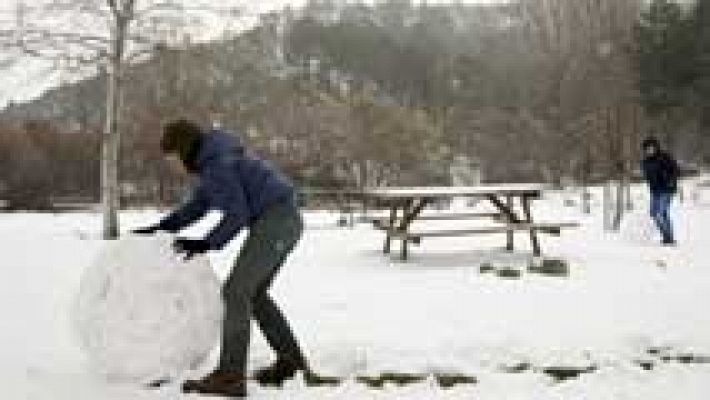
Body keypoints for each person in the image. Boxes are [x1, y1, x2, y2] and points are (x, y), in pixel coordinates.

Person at [133, 119, 310, 397]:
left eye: (173, 158)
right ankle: (291, 364)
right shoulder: (214, 161)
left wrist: (207, 242)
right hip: (282, 220)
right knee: (255, 294)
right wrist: (162, 228)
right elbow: (197, 207)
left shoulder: (218, 164)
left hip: (277, 220)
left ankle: (230, 377)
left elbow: (236, 214)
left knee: (236, 292)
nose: (174, 166)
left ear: (184, 149)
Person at [640, 137, 679, 246]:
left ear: (656, 147)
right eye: (647, 149)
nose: (649, 150)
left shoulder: (664, 157)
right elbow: (647, 176)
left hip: (667, 189)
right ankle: (667, 237)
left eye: (651, 148)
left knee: (660, 213)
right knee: (654, 213)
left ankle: (669, 238)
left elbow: (675, 170)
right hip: (655, 191)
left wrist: (670, 179)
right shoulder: (645, 162)